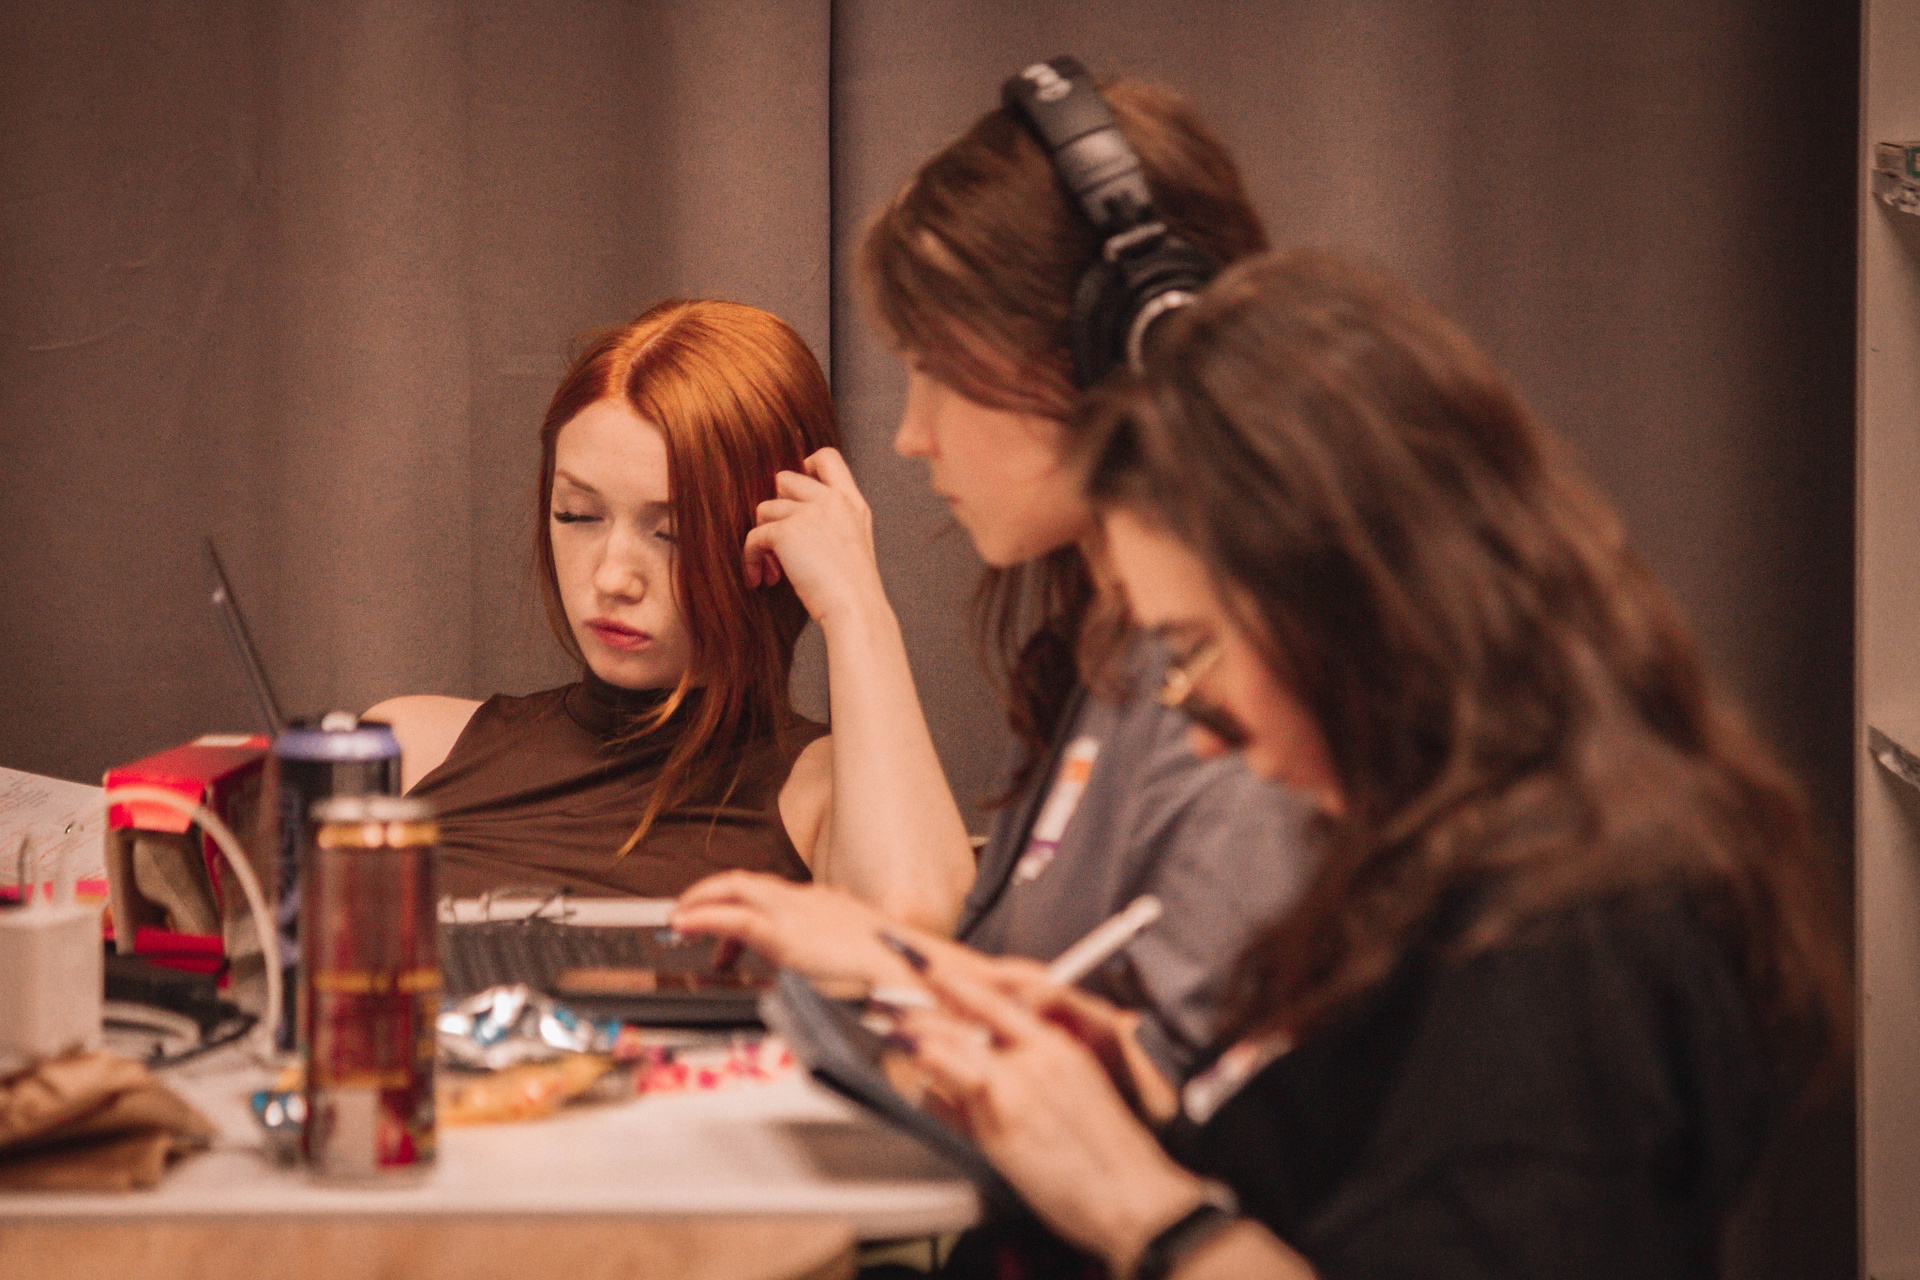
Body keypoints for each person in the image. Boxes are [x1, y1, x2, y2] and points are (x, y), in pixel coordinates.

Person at [888, 251, 1849, 1280]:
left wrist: (1139, 1204)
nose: (1201, 731)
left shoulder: (1569, 950)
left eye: (1198, 650)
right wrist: (1127, 1096)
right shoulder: (1440, 861)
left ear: (1342, 602)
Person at [671, 71, 1317, 1082]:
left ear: (1114, 353)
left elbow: (1188, 1109)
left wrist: (900, 968)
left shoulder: (1244, 690)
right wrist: (895, 965)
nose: (910, 434)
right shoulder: (1099, 654)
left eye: (941, 368)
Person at [368, 299, 933, 909]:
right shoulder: (406, 748)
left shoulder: (823, 793)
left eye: (673, 533)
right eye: (577, 515)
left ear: (772, 537)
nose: (612, 578)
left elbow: (916, 922)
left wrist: (856, 602)